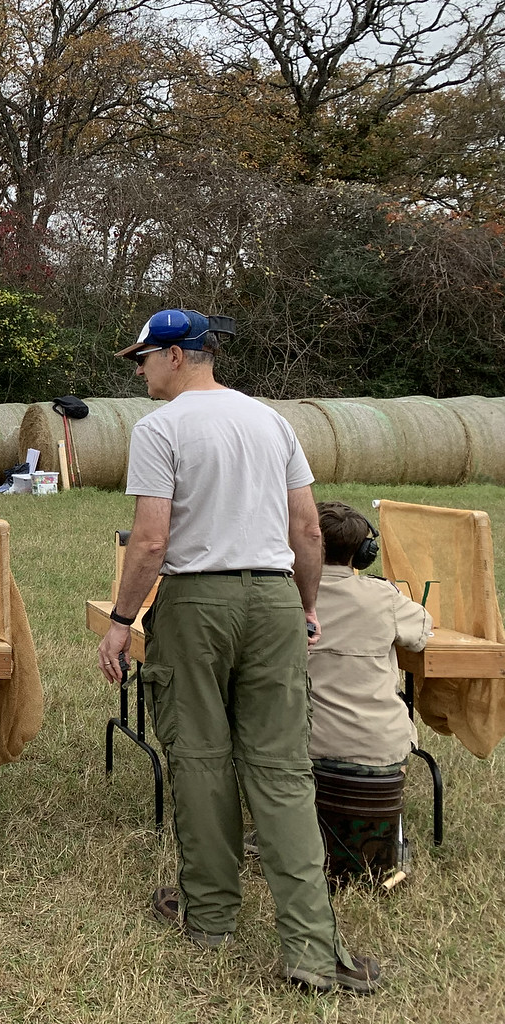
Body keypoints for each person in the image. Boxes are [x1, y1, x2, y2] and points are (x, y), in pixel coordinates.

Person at [96, 308, 379, 995]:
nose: (138, 371)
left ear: (177, 355)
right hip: (276, 599)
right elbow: (307, 529)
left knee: (198, 758)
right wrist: (305, 604)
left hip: (196, 603)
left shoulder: (159, 429)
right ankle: (313, 950)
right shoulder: (272, 421)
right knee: (282, 770)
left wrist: (120, 620)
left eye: (142, 359)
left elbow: (152, 541)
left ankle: (213, 916)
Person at [309, 501, 432, 771]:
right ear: (365, 553)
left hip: (305, 747)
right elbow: (421, 632)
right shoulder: (383, 597)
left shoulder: (287, 596)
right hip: (380, 749)